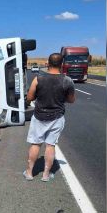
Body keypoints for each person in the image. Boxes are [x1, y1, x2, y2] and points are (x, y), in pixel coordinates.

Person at [24, 53, 75, 182]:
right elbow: (71, 100)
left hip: (39, 117)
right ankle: (46, 175)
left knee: (36, 144)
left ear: (48, 63)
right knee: (50, 145)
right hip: (57, 117)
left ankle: (29, 173)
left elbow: (29, 97)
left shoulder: (38, 79)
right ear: (61, 64)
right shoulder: (67, 80)